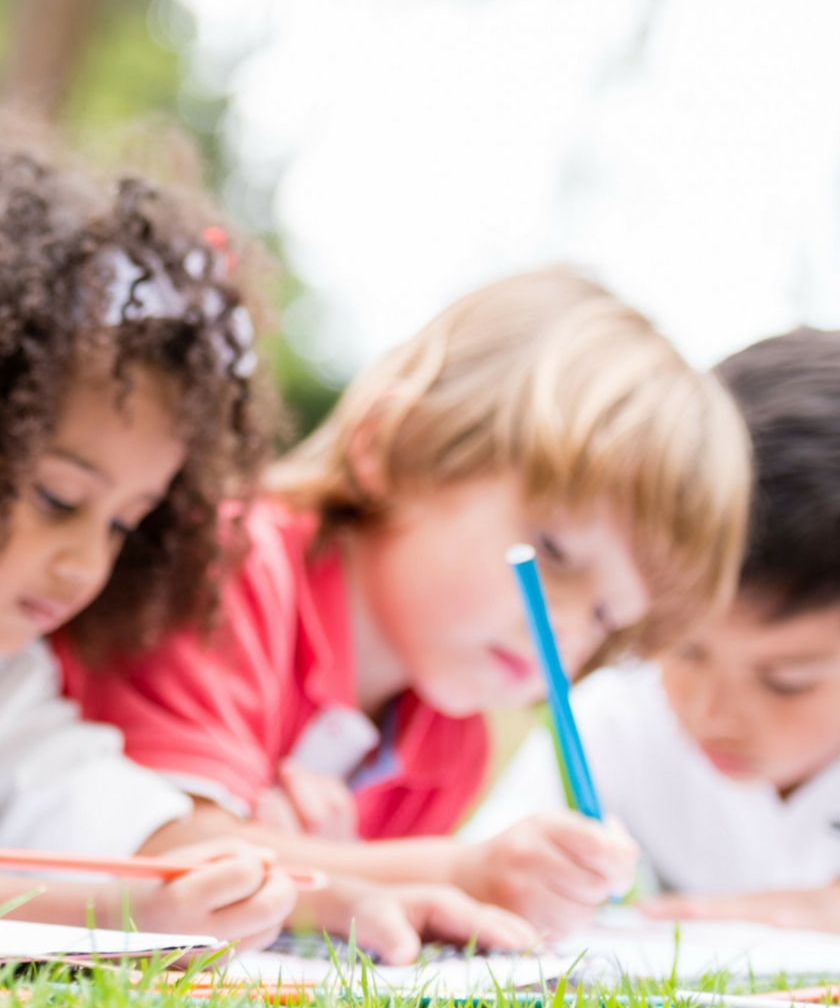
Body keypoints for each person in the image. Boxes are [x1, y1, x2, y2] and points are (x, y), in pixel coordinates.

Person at [0, 144, 533, 963]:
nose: (87, 564)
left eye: (125, 523)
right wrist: (121, 922)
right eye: (58, 500)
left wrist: (331, 896)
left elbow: (127, 827)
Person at [61, 270, 752, 937]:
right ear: (396, 445)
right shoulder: (230, 568)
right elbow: (170, 856)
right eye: (554, 552)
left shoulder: (450, 747)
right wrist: (460, 874)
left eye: (608, 617)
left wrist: (352, 876)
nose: (568, 625)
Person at [466, 328, 840, 931]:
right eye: (685, 650)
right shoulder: (620, 721)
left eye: (786, 681)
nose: (712, 712)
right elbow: (488, 870)